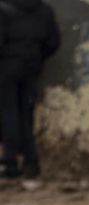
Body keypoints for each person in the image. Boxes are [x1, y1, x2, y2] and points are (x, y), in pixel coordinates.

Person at [0, 0, 59, 179]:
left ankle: (10, 163)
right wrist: (36, 57)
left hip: (6, 68)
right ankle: (31, 162)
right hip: (32, 67)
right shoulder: (45, 9)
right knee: (26, 114)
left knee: (7, 113)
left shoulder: (3, 9)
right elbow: (53, 42)